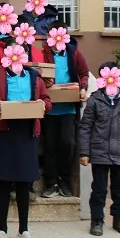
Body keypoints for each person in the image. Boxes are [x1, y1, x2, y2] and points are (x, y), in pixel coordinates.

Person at [0, 40, 52, 238]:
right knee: (4, 182)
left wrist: (42, 104)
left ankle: (23, 229)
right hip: (4, 132)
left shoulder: (34, 77)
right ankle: (2, 228)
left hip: (26, 134)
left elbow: (47, 101)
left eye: (20, 54)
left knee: (24, 183)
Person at [79, 63, 120, 237]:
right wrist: (84, 152)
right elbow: (85, 127)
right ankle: (97, 220)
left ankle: (119, 218)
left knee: (119, 188)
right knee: (99, 188)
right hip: (100, 150)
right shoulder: (95, 100)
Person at [40, 20, 90, 199]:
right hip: (49, 108)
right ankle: (51, 182)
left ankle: (64, 180)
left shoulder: (74, 52)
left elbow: (83, 73)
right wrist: (44, 82)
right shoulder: (43, 53)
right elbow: (37, 74)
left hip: (68, 108)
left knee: (68, 143)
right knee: (50, 145)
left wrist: (82, 88)